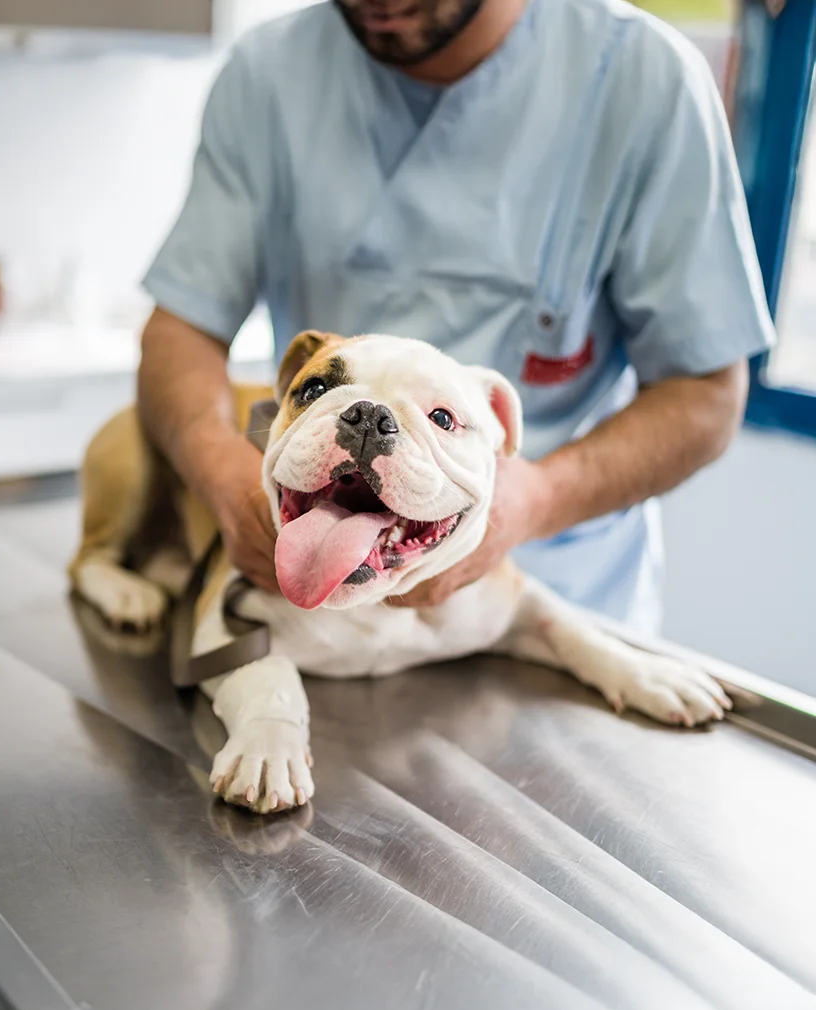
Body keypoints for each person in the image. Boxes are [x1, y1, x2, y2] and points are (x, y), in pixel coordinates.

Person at [136, 0, 775, 634]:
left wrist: (534, 500)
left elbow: (706, 393)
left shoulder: (644, 80)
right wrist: (221, 471)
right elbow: (184, 325)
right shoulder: (268, 73)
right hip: (318, 597)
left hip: (557, 604)